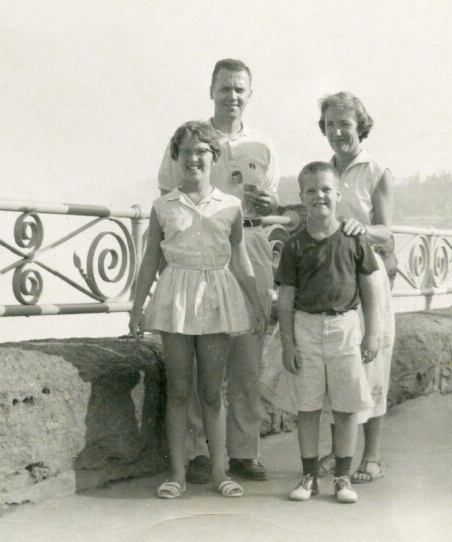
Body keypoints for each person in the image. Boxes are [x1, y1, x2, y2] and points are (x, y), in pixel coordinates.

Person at [156, 59, 278, 483]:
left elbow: (271, 201)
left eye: (240, 89)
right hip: (199, 258)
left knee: (247, 354)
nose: (233, 96)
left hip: (248, 247)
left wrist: (268, 206)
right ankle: (194, 453)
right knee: (194, 351)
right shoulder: (193, 137)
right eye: (225, 88)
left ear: (250, 93)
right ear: (211, 90)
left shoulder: (263, 144)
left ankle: (244, 451)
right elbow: (166, 195)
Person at [131, 121, 268, 499]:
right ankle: (176, 474)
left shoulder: (231, 206)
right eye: (186, 152)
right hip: (175, 295)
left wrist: (257, 305)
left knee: (211, 392)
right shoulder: (163, 206)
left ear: (214, 157)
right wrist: (136, 308)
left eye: (201, 152)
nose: (194, 158)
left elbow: (241, 261)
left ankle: (220, 473)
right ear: (176, 159)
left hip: (217, 298)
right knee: (178, 390)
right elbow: (148, 262)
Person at [276, 161, 381, 504]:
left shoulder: (355, 238)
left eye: (325, 189)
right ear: (301, 197)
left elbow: (369, 289)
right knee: (306, 406)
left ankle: (342, 477)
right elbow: (287, 297)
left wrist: (372, 332)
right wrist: (287, 343)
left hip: (345, 329)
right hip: (305, 328)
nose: (318, 195)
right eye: (310, 190)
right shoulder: (293, 245)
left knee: (346, 406)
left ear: (338, 193)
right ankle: (308, 476)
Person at [315, 92, 395, 484]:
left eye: (344, 124)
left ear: (360, 126)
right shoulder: (322, 171)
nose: (337, 132)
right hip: (331, 276)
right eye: (330, 125)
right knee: (337, 363)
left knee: (371, 361)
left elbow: (387, 231)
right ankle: (337, 451)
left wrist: (363, 229)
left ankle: (372, 455)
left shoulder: (376, 170)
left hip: (366, 275)